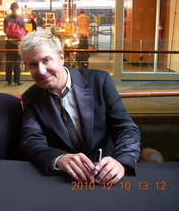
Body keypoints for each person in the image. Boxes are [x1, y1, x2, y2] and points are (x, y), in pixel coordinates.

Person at [18, 31, 141, 185]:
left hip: (108, 177)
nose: (41, 71)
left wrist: (122, 161)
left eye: (46, 60)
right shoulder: (31, 97)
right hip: (66, 180)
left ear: (61, 57)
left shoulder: (100, 81)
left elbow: (126, 128)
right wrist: (59, 158)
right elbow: (31, 141)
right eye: (33, 64)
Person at [3, 2, 25, 85]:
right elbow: (23, 31)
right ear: (18, 8)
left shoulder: (6, 18)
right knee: (17, 61)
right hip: (17, 43)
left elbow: (4, 30)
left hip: (8, 42)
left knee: (8, 61)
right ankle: (17, 80)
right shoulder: (21, 19)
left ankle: (9, 80)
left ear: (10, 8)